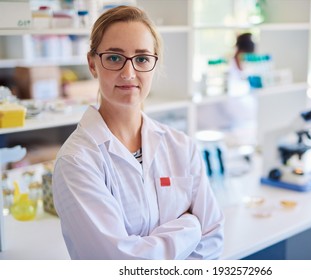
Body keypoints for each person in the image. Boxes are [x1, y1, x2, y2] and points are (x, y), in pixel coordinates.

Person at [52, 5, 224, 260]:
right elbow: (119, 263)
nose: (128, 73)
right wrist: (190, 228)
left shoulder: (181, 147)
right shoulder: (77, 161)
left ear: (155, 64)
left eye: (142, 58)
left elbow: (213, 240)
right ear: (92, 64)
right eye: (114, 57)